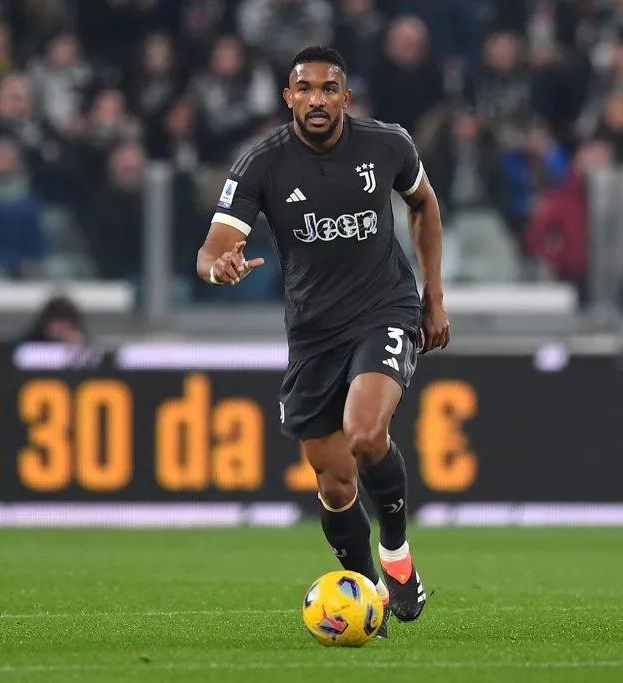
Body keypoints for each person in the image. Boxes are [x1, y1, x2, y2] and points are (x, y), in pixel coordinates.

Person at [196, 46, 450, 638]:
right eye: (304, 89)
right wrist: (220, 268)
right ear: (288, 99)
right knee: (335, 484)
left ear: (345, 98)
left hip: (384, 309)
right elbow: (210, 249)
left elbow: (424, 205)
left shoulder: (388, 145)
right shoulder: (261, 164)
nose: (316, 99)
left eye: (328, 89)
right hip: (312, 335)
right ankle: (370, 598)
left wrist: (433, 297)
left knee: (366, 435)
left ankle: (396, 559)